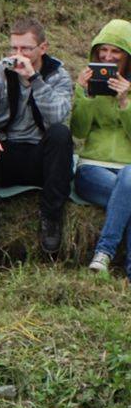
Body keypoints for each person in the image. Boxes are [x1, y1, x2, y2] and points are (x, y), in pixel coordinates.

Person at [0, 18, 75, 257]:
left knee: (61, 134)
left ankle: (51, 217)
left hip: (40, 158)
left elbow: (57, 115)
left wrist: (34, 79)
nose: (18, 54)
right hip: (5, 153)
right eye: (14, 48)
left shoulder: (58, 76)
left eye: (25, 48)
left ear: (42, 48)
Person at [73, 19, 131, 274]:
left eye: (115, 51)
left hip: (128, 171)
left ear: (127, 56)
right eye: (102, 51)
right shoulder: (88, 86)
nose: (107, 56)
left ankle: (102, 255)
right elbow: (78, 131)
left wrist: (124, 103)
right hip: (92, 167)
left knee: (130, 178)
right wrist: (84, 96)